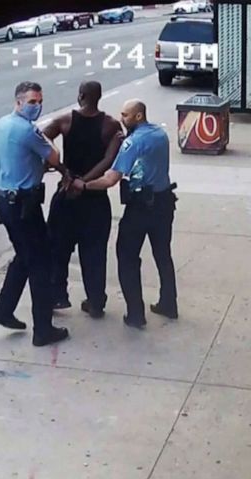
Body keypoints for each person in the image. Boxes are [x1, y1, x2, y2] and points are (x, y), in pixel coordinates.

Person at [71, 99, 177, 329]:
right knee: (163, 254)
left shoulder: (134, 142)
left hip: (140, 208)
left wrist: (84, 185)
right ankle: (169, 303)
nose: (122, 119)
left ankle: (135, 313)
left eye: (125, 115)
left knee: (127, 258)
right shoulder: (159, 134)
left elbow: (111, 178)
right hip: (164, 203)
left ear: (138, 116)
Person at [0, 81, 72, 347]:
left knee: (25, 256)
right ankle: (43, 329)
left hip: (7, 203)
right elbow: (55, 157)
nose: (37, 106)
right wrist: (44, 139)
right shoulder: (27, 131)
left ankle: (3, 309)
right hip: (24, 207)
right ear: (18, 102)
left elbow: (21, 159)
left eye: (39, 101)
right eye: (32, 102)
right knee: (40, 264)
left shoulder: (1, 124)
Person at [42, 81, 124, 319]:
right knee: (94, 253)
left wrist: (65, 172)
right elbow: (109, 160)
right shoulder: (110, 125)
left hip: (66, 195)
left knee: (58, 248)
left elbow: (42, 141)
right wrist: (85, 182)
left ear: (80, 96)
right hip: (95, 198)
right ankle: (96, 301)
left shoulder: (64, 121)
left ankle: (58, 295)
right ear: (99, 97)